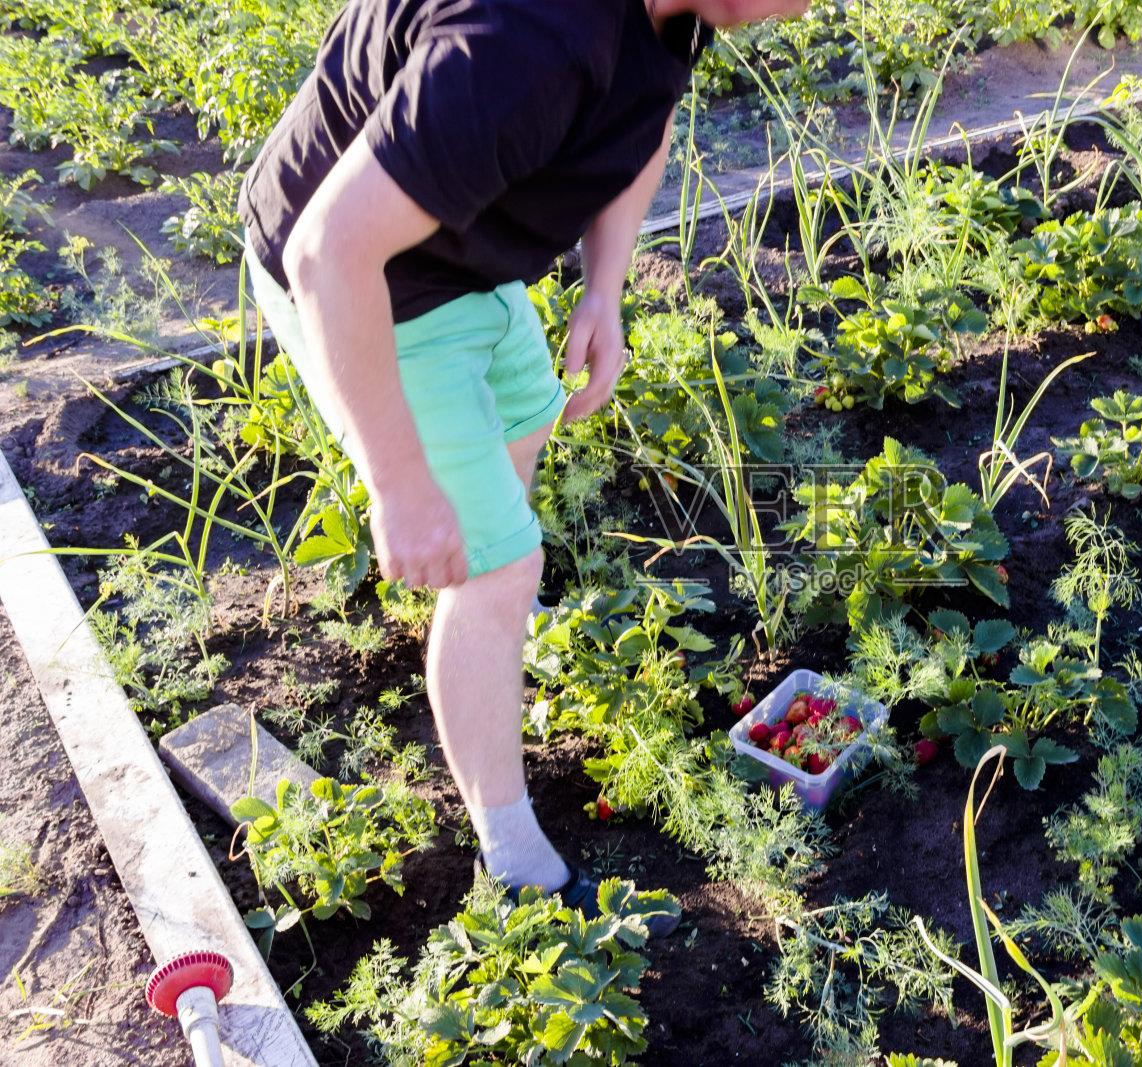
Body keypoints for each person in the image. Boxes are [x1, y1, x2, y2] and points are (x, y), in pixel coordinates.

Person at [239, 0, 808, 926]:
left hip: (458, 253)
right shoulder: (529, 43)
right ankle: (513, 860)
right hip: (371, 279)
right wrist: (399, 485)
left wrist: (605, 288)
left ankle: (487, 625)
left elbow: (646, 115)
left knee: (517, 453)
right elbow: (328, 253)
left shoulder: (678, 12)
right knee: (497, 564)